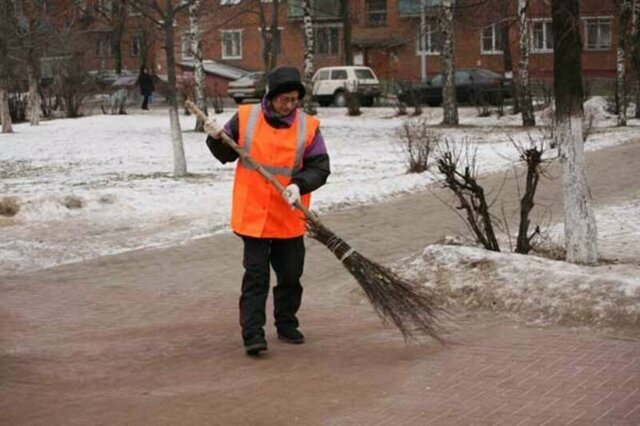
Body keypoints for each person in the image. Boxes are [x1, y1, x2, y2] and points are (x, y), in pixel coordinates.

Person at [204, 66, 331, 356]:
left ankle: (286, 324)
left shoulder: (308, 126)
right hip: (254, 215)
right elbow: (226, 154)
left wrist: (300, 185)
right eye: (284, 99)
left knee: (290, 275)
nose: (290, 105)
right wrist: (215, 137)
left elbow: (320, 168)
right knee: (256, 276)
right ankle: (253, 334)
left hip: (289, 214)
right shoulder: (246, 117)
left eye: (294, 99)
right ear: (270, 97)